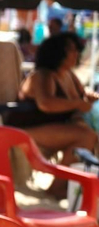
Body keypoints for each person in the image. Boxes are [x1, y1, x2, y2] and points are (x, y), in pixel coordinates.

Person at [7, 32, 97, 162]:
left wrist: (88, 97)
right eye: (71, 50)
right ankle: (62, 175)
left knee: (90, 134)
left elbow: (82, 95)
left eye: (76, 49)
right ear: (57, 52)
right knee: (86, 136)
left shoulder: (68, 74)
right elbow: (46, 103)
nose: (76, 53)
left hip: (51, 128)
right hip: (25, 130)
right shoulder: (42, 75)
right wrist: (77, 104)